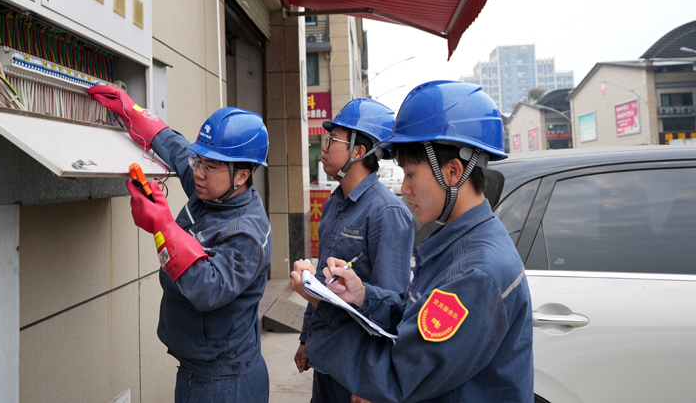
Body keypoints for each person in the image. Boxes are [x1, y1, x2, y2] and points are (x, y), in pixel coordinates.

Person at [290, 81, 534, 402]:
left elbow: (398, 377)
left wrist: (323, 310)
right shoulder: (458, 244)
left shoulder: (476, 273)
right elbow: (415, 316)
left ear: (452, 172)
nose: (404, 188)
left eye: (410, 174)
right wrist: (364, 296)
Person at [88, 86, 272, 403]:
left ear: (241, 175)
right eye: (198, 161)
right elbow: (174, 148)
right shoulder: (213, 188)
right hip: (199, 373)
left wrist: (162, 225)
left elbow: (206, 287)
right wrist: (132, 111)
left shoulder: (246, 233)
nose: (197, 172)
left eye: (208, 166)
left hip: (224, 383)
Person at [294, 98, 414, 403]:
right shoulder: (335, 203)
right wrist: (308, 337)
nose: (323, 146)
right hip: (328, 355)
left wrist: (373, 382)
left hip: (358, 369)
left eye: (333, 139)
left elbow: (391, 308)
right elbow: (323, 285)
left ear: (358, 151)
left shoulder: (386, 212)